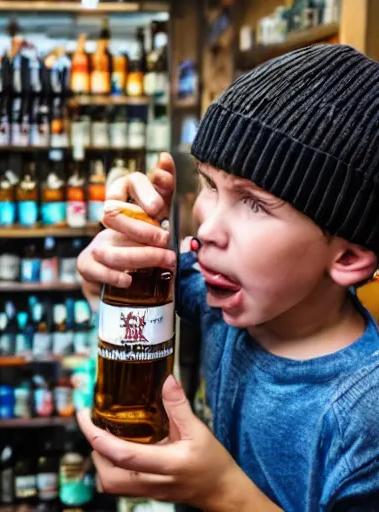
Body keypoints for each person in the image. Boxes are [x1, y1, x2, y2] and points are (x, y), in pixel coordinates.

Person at [76, 44, 379, 511]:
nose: (207, 227)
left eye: (255, 202)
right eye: (209, 185)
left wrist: (221, 492)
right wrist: (110, 261)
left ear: (348, 257)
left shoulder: (363, 417)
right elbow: (125, 300)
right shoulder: (223, 294)